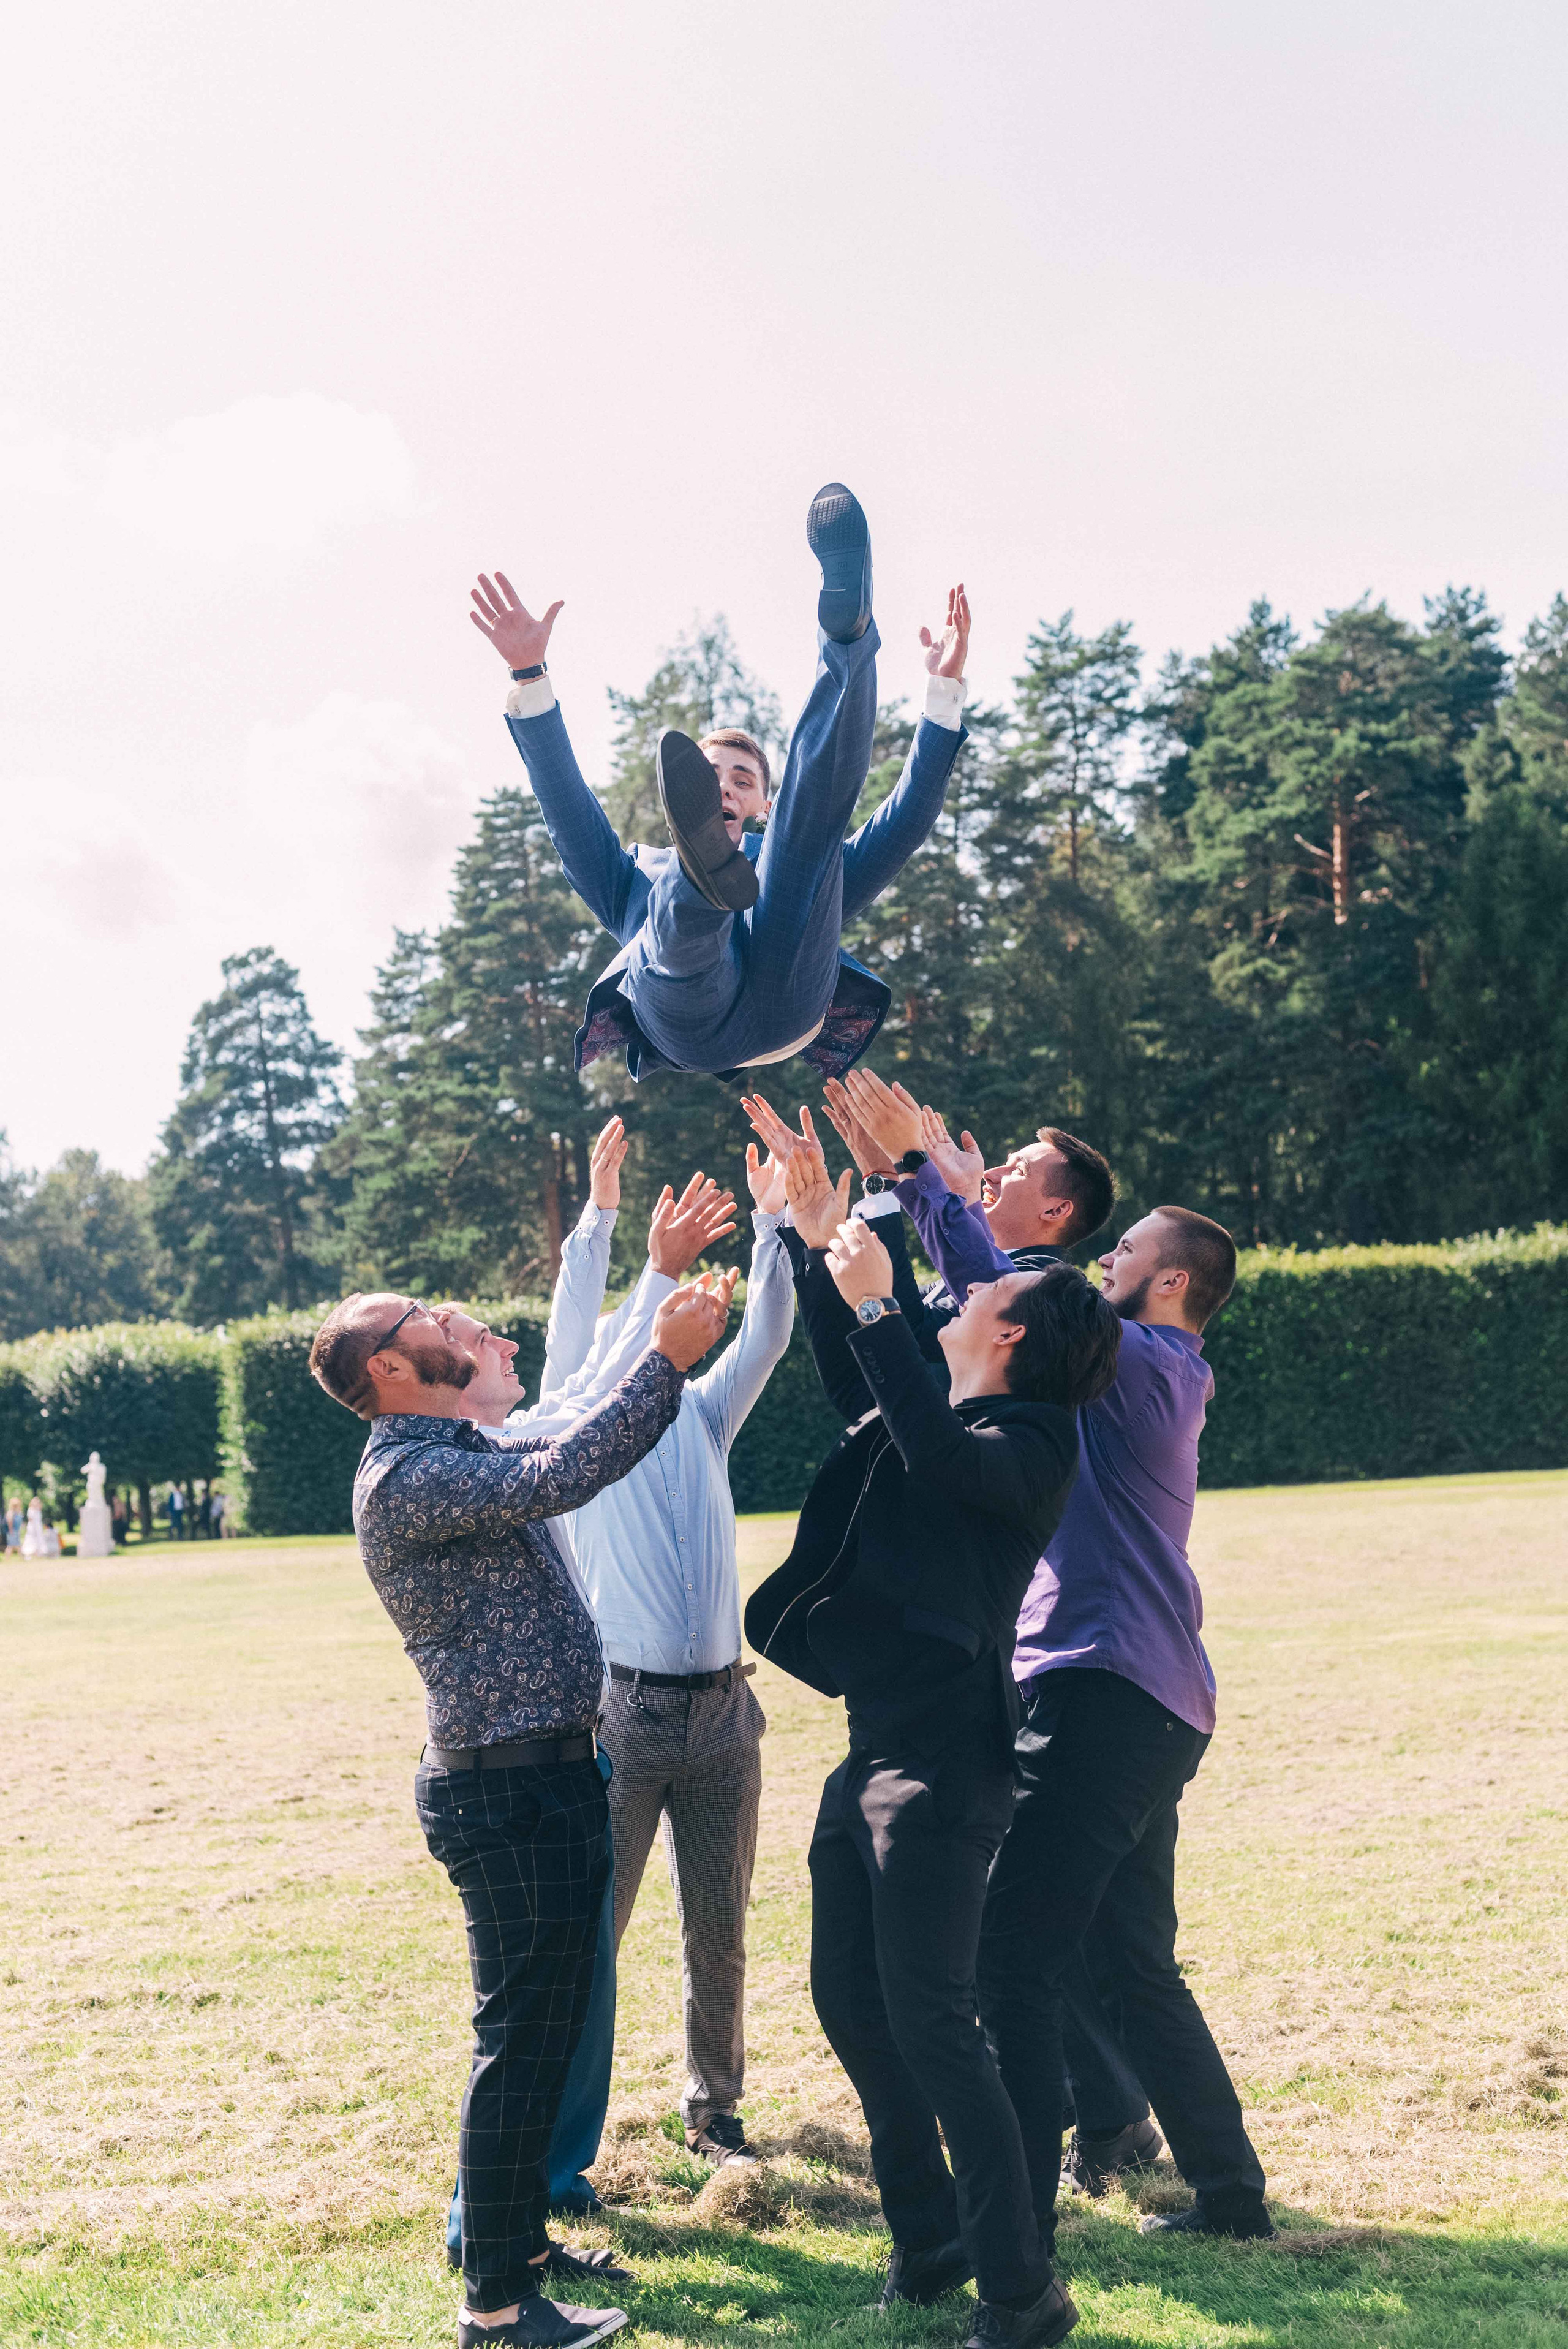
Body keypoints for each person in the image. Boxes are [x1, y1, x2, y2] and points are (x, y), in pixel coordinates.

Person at [863, 1119, 1273, 2249]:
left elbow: (1004, 1294)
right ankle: (1230, 2195)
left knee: (1012, 1958)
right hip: (1145, 1696)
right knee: (1129, 1954)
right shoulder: (1139, 1368)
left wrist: (923, 1185)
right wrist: (933, 1191)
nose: (1108, 1257)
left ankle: (1020, 2221)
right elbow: (1005, 1304)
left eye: (1127, 1246)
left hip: (1102, 1690)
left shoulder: (1143, 1362)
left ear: (1171, 1277)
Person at [308, 1273, 733, 2349]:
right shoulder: (405, 1476)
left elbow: (571, 1427)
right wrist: (667, 1359)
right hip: (505, 1788)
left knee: (540, 2039)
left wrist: (653, 1326)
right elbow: (573, 1469)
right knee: (518, 2043)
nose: (452, 1324)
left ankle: (526, 2247)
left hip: (545, 1775)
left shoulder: (455, 1451)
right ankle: (496, 2307)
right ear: (388, 1369)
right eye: (426, 1322)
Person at [746, 1144, 1121, 2349]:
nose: (957, 1305)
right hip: (873, 1756)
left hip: (941, 1775)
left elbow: (926, 1430)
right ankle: (928, 2240)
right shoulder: (948, 1410)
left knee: (933, 2026)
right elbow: (873, 1380)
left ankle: (1022, 2291)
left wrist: (872, 1295)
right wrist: (819, 1242)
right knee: (851, 2003)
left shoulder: (1029, 1445)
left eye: (979, 1300)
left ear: (1009, 1342)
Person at [436, 1124, 741, 2269]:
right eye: (467, 1336)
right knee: (535, 2011)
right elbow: (588, 1382)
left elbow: (590, 1374)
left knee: (572, 1996)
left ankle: (542, 2193)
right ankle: (497, 2237)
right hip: (519, 1772)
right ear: (425, 1375)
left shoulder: (494, 1436)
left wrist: (640, 1254)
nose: (499, 1338)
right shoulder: (470, 1459)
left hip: (574, 1758)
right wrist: (631, 1261)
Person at [467, 484, 971, 1083]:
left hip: (791, 998)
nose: (726, 788)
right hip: (688, 1019)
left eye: (741, 779)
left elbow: (905, 820)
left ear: (759, 802)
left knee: (810, 834)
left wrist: (943, 695)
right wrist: (529, 676)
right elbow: (568, 810)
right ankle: (699, 880)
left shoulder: (777, 846)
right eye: (708, 779)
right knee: (677, 940)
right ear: (680, 795)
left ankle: (846, 640)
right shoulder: (632, 878)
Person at [535, 1127, 793, 2171]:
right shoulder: (583, 1430)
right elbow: (567, 1346)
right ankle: (560, 2130)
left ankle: (713, 2105)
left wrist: (776, 1220)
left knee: (719, 1928)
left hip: (725, 1709)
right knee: (597, 1928)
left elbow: (769, 1333)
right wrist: (601, 1223)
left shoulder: (703, 1414)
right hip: (624, 1712)